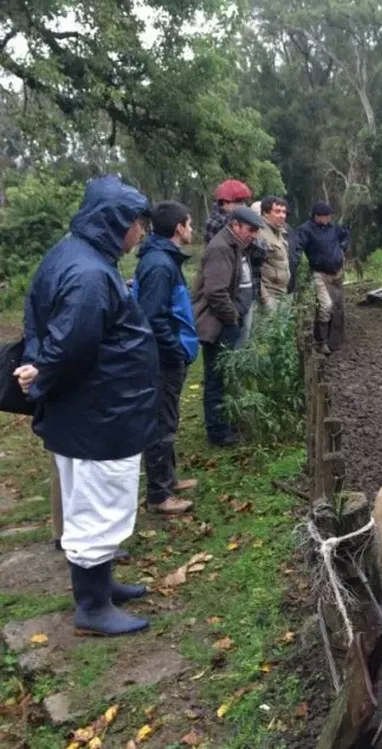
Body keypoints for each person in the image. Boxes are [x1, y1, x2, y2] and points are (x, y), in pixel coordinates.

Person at [15, 174, 157, 636]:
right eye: (138, 223)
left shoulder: (74, 255)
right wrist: (44, 370)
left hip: (89, 411)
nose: (141, 232)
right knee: (99, 503)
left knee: (89, 501)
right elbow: (73, 343)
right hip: (100, 414)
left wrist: (41, 368)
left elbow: (44, 325)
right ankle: (93, 607)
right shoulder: (91, 274)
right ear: (116, 222)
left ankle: (101, 585)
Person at [132, 201, 201, 514]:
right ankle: (159, 495)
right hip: (162, 359)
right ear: (178, 228)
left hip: (169, 355)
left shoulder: (163, 259)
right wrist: (175, 352)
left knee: (168, 416)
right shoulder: (160, 265)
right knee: (162, 422)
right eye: (189, 223)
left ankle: (169, 480)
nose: (192, 229)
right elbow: (153, 317)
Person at [192, 205, 266, 447]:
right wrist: (233, 317)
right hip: (219, 323)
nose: (254, 235)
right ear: (235, 225)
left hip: (228, 321)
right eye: (250, 229)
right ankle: (218, 433)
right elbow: (215, 291)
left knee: (226, 375)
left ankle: (226, 423)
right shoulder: (221, 248)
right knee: (216, 377)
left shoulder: (236, 245)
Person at [204, 179, 266, 347]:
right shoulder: (219, 224)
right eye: (238, 202)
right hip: (229, 297)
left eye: (244, 202)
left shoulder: (239, 222)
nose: (243, 206)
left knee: (242, 342)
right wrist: (233, 317)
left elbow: (261, 250)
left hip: (243, 291)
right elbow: (259, 249)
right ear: (224, 202)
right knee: (228, 347)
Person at [291, 202, 351, 354]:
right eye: (326, 216)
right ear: (317, 216)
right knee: (326, 306)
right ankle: (321, 341)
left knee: (338, 306)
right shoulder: (306, 230)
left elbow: (345, 235)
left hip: (336, 272)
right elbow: (297, 247)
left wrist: (342, 248)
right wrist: (294, 264)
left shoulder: (334, 228)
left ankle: (335, 341)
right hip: (319, 273)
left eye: (330, 216)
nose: (329, 218)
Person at [257, 196, 291, 312]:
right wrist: (265, 298)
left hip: (282, 294)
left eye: (284, 212)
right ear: (265, 213)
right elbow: (254, 269)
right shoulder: (259, 233)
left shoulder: (279, 232)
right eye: (277, 211)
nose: (282, 215)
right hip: (268, 296)